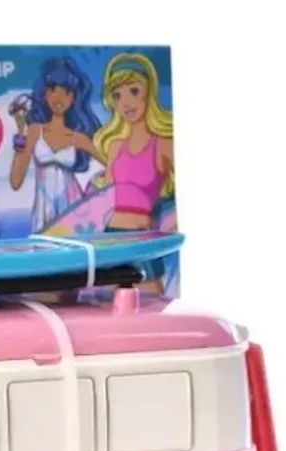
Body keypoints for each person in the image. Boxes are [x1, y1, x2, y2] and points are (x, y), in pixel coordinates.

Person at [92, 52, 175, 293]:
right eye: (118, 96)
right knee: (104, 305)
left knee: (152, 306)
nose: (126, 102)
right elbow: (105, 199)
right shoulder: (116, 147)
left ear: (149, 91)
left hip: (142, 240)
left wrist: (166, 234)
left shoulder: (163, 145)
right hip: (110, 237)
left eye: (133, 91)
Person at [9, 57, 101, 231]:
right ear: (45, 94)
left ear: (74, 97)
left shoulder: (77, 138)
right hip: (44, 211)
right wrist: (21, 131)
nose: (59, 97)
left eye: (66, 91)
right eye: (52, 89)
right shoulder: (35, 131)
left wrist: (97, 186)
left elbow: (111, 163)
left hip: (73, 210)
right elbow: (16, 181)